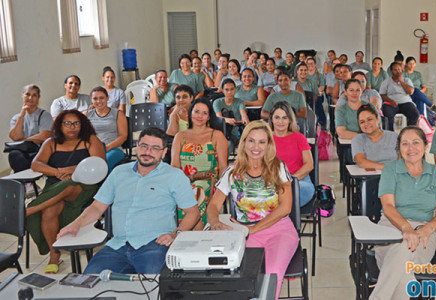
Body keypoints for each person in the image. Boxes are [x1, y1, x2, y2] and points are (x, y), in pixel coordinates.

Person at [58, 127, 200, 274]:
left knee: (153, 288)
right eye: (144, 146)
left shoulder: (175, 176)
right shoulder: (118, 173)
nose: (147, 152)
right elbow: (97, 207)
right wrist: (77, 223)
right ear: (137, 147)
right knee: (90, 282)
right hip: (117, 246)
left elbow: (193, 213)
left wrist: (175, 234)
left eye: (155, 148)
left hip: (155, 245)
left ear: (164, 152)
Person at [206, 121, 298, 298]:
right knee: (244, 276)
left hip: (279, 230)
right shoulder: (232, 172)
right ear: (244, 142)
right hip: (246, 232)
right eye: (251, 141)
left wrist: (254, 228)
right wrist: (214, 221)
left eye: (262, 142)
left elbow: (286, 207)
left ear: (268, 144)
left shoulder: (278, 167)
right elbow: (214, 205)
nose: (256, 147)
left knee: (272, 273)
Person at [372, 126, 436, 299]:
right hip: (390, 228)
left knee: (403, 259)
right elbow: (388, 207)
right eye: (405, 144)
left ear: (425, 145)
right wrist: (406, 229)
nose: (411, 148)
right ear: (399, 148)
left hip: (425, 232)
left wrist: (427, 229)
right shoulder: (390, 170)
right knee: (404, 261)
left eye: (416, 142)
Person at [26, 109, 105, 274]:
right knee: (49, 210)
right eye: (67, 123)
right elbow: (36, 164)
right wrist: (56, 172)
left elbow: (99, 164)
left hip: (83, 186)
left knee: (68, 185)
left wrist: (71, 170)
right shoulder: (51, 142)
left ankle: (27, 211)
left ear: (82, 125)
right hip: (54, 187)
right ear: (60, 125)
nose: (72, 127)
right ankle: (54, 255)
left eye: (76, 123)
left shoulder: (90, 140)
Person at [171, 99, 228, 229]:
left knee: (198, 188)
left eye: (204, 113)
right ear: (191, 113)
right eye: (197, 112)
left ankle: (190, 227)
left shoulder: (217, 136)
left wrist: (220, 190)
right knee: (189, 190)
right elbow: (174, 165)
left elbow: (223, 167)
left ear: (209, 116)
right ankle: (193, 228)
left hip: (210, 183)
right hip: (184, 182)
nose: (200, 116)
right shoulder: (180, 136)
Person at [269, 102, 315, 206]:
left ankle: (280, 214)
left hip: (298, 180)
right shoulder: (266, 139)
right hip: (273, 181)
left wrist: (290, 180)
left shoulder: (299, 138)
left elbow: (309, 164)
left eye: (284, 118)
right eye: (277, 117)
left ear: (290, 120)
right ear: (271, 119)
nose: (280, 122)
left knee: (290, 192)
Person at [9, 84, 53, 173]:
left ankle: (27, 182)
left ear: (38, 98)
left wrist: (23, 140)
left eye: (34, 95)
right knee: (14, 155)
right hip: (22, 152)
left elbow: (44, 136)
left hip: (39, 150)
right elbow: (15, 137)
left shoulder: (44, 115)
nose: (30, 98)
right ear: (23, 96)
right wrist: (21, 115)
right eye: (27, 94)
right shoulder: (16, 118)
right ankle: (27, 183)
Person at [86, 87, 127, 172]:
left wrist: (107, 147)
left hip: (113, 149)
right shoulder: (87, 114)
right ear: (91, 100)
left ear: (107, 98)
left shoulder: (118, 113)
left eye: (101, 98)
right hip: (93, 150)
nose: (98, 101)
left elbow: (123, 136)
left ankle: (108, 185)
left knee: (103, 164)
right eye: (95, 98)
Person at [352, 104, 398, 170]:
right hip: (371, 178)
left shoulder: (394, 136)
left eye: (370, 119)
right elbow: (361, 162)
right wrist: (387, 168)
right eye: (362, 122)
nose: (366, 124)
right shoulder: (357, 140)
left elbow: (402, 160)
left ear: (378, 119)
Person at [380, 62, 419, 129]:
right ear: (391, 71)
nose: (398, 71)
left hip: (406, 103)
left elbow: (410, 92)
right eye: (395, 70)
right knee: (387, 114)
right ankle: (390, 133)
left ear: (402, 70)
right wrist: (391, 101)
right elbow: (382, 95)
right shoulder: (386, 81)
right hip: (391, 103)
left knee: (415, 114)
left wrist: (401, 81)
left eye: (399, 69)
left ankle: (408, 131)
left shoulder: (406, 80)